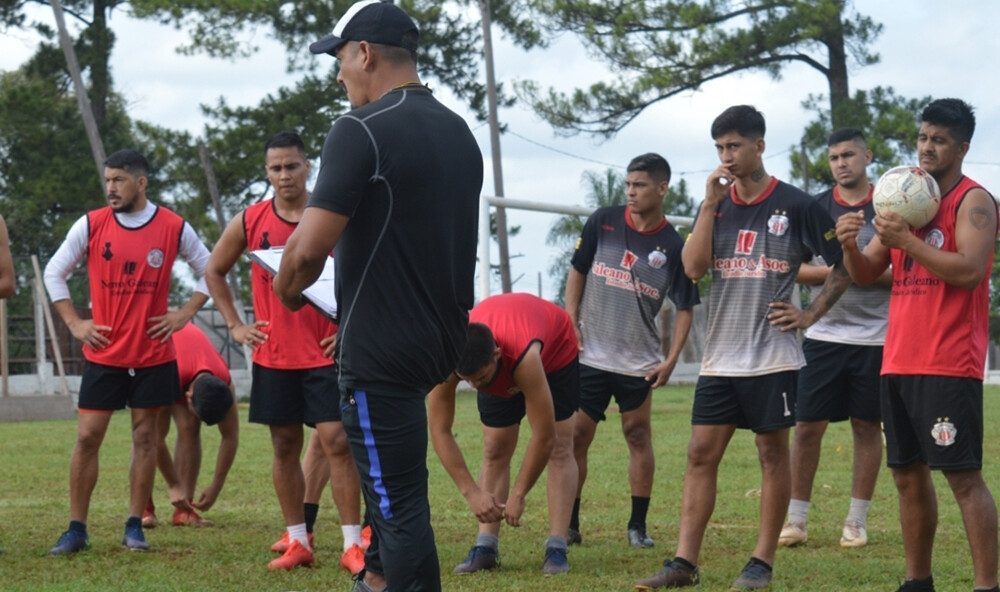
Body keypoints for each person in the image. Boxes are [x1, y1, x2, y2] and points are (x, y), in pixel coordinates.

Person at [275, 2, 483, 590]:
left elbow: (307, 252)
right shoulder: (458, 130)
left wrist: (286, 289)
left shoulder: (358, 129)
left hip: (381, 355)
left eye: (339, 58)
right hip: (440, 341)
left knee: (399, 508)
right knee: (389, 493)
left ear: (363, 52)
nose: (338, 74)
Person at [635, 105, 852, 590]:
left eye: (734, 146)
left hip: (773, 357)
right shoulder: (716, 205)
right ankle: (684, 564)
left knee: (772, 454)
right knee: (699, 453)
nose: (726, 156)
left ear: (759, 145)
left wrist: (809, 315)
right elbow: (692, 269)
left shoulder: (797, 204)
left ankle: (761, 562)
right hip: (720, 358)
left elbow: (845, 266)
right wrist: (709, 207)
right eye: (719, 148)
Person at [837, 98, 998, 592]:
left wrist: (908, 243)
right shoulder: (903, 197)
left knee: (962, 477)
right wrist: (849, 243)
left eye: (940, 140)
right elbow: (866, 274)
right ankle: (917, 581)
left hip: (949, 362)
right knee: (906, 475)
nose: (927, 147)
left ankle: (986, 584)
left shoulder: (975, 201)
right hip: (899, 359)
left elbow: (970, 273)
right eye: (924, 137)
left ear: (962, 147)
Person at [205, 131, 363, 572]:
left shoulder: (329, 215)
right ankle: (298, 541)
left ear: (307, 166)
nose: (284, 175)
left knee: (337, 442)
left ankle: (353, 544)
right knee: (284, 445)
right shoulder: (250, 220)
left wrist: (348, 325)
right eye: (275, 168)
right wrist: (236, 325)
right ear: (267, 172)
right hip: (274, 356)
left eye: (291, 166)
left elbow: (366, 272)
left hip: (326, 353)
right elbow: (214, 270)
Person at [43, 149, 211, 555]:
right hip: (104, 354)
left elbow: (211, 268)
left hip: (153, 356)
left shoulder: (172, 226)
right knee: (87, 438)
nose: (111, 188)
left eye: (118, 180)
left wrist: (185, 313)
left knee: (145, 438)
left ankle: (134, 526)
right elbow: (54, 272)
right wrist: (76, 324)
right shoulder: (91, 224)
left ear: (141, 183)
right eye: (107, 181)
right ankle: (76, 529)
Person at [565, 153, 700, 549]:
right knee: (576, 437)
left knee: (637, 435)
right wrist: (570, 317)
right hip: (590, 354)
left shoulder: (673, 245)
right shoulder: (602, 221)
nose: (630, 192)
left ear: (661, 189)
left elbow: (687, 308)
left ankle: (637, 526)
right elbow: (578, 269)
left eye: (639, 185)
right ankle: (570, 523)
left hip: (638, 362)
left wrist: (672, 359)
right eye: (628, 184)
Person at [776, 128, 889, 549]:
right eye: (834, 158)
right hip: (824, 334)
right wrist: (846, 268)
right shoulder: (816, 207)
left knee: (866, 427)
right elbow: (796, 267)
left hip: (877, 337)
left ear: (867, 156)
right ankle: (796, 520)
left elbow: (905, 273)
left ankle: (856, 521)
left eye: (849, 155)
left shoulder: (890, 205)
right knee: (806, 427)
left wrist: (861, 267)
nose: (841, 163)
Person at [428, 292, 579, 576]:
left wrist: (520, 493)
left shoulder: (524, 358)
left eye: (481, 379)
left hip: (555, 351)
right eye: (466, 380)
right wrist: (471, 493)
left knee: (560, 445)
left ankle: (557, 546)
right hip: (501, 349)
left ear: (496, 355)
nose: (474, 386)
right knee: (495, 448)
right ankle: (486, 546)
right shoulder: (449, 358)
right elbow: (438, 429)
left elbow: (544, 436)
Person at [142, 322, 239, 529]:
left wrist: (216, 486)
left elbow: (230, 436)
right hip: (156, 350)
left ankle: (183, 510)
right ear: (188, 396)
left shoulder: (224, 382)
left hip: (186, 357)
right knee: (145, 432)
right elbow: (155, 439)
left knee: (189, 426)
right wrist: (173, 485)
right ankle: (144, 505)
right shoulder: (167, 374)